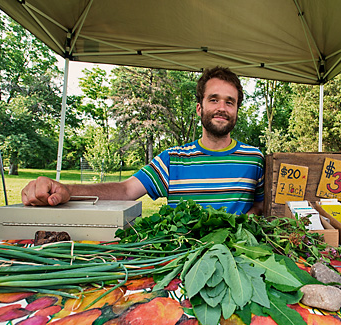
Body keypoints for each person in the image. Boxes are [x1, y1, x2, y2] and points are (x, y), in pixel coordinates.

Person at [21, 66, 265, 215]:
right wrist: (68, 190)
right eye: (214, 99)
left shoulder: (255, 160)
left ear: (236, 111)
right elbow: (126, 190)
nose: (222, 107)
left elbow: (264, 207)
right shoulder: (174, 159)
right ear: (200, 109)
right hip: (180, 262)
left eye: (229, 102)